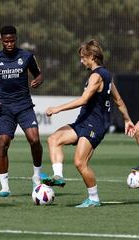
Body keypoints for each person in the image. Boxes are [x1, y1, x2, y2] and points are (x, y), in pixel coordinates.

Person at [43, 39, 135, 207]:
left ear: (92, 57)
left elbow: (84, 99)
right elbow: (119, 100)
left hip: (94, 125)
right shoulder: (107, 76)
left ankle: (93, 198)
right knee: (53, 139)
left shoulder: (96, 76)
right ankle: (58, 176)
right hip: (83, 122)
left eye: (83, 57)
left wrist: (57, 109)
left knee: (80, 162)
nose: (81, 60)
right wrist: (127, 119)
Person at [0, 25, 44, 197]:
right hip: (5, 108)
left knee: (35, 140)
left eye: (12, 40)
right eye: (6, 41)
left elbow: (39, 74)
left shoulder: (26, 56)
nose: (9, 44)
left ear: (16, 39)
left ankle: (37, 177)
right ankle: (4, 187)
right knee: (3, 143)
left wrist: (38, 80)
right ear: (1, 41)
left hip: (24, 106)